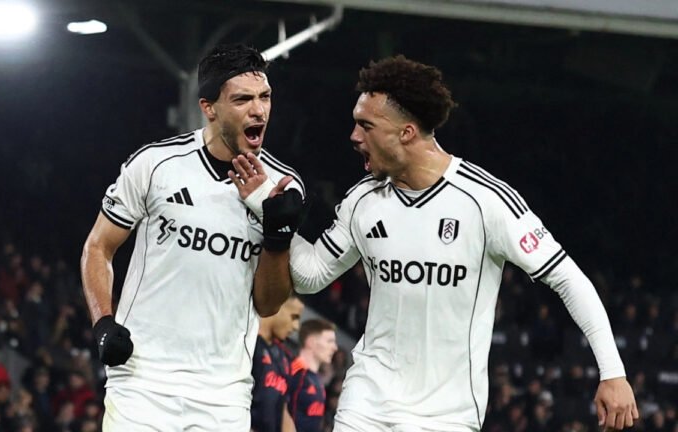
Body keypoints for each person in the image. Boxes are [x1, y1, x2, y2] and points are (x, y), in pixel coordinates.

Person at [231, 55, 638, 431]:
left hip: (447, 416)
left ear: (406, 132)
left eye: (366, 126)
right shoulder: (362, 201)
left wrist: (613, 372)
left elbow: (568, 279)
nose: (354, 136)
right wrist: (270, 211)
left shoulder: (485, 201)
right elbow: (311, 275)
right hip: (366, 406)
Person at [80, 43, 305, 430]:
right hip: (142, 383)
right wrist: (103, 323)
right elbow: (98, 247)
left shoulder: (282, 187)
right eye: (243, 99)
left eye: (265, 97)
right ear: (209, 107)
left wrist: (276, 239)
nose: (259, 110)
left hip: (223, 394)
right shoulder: (155, 164)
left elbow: (268, 305)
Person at [251, 295, 304, 432]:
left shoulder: (283, 357)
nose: (296, 326)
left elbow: (282, 408)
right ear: (277, 306)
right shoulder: (248, 344)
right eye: (294, 316)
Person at [288, 319, 338, 432]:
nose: (335, 347)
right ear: (310, 342)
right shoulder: (293, 371)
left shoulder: (317, 380)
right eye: (329, 341)